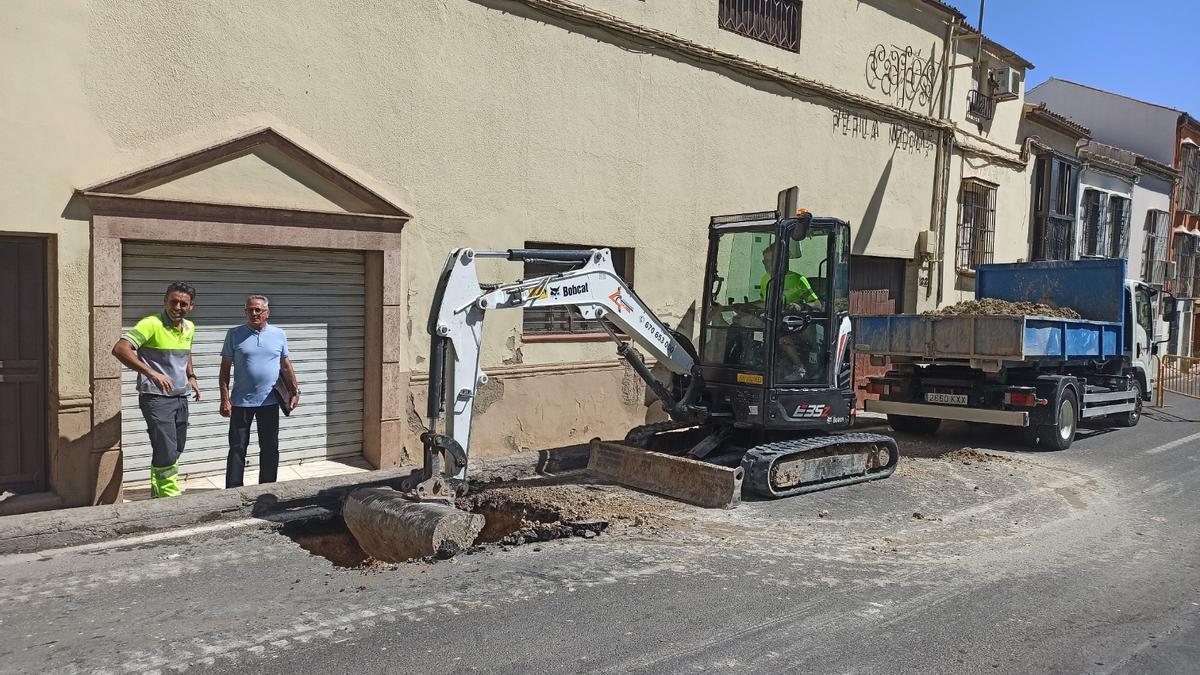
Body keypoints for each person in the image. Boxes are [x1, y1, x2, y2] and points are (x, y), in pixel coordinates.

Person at [112, 282, 200, 498]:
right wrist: (151, 372)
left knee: (176, 446)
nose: (177, 307)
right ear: (165, 301)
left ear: (191, 307)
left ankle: (157, 490)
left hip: (180, 396)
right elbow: (120, 349)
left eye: (183, 303)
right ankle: (168, 496)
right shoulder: (150, 324)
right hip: (156, 398)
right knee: (167, 448)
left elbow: (186, 352)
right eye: (173, 301)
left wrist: (191, 376)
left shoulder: (189, 327)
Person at [220, 295, 300, 488]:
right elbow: (224, 370)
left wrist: (294, 390)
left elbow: (286, 365)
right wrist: (225, 398)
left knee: (270, 447)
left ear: (267, 313)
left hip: (270, 401)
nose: (254, 313)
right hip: (241, 402)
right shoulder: (234, 334)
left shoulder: (279, 334)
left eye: (258, 310)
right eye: (250, 310)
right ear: (245, 312)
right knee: (237, 448)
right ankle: (232, 490)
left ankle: (267, 488)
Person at [759, 243, 822, 312]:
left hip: (790, 319)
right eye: (765, 261)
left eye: (770, 261)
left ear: (780, 261)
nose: (766, 265)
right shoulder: (765, 279)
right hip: (769, 320)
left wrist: (800, 306)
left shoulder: (798, 280)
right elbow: (763, 302)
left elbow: (817, 304)